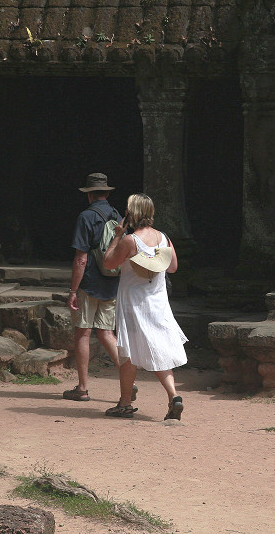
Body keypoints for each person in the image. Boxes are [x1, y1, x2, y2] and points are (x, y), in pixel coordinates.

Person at [102, 192, 187, 420]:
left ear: (132, 213)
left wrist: (117, 236)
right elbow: (173, 268)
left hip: (133, 305)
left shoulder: (130, 240)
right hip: (158, 303)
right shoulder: (164, 238)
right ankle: (173, 396)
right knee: (158, 351)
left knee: (128, 353)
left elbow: (108, 263)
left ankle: (125, 403)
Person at [64, 172, 127, 402]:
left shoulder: (86, 217)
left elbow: (81, 258)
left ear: (89, 195)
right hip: (112, 282)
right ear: (107, 193)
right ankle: (127, 378)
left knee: (83, 332)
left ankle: (82, 388)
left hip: (90, 282)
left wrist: (73, 290)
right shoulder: (118, 216)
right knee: (106, 332)